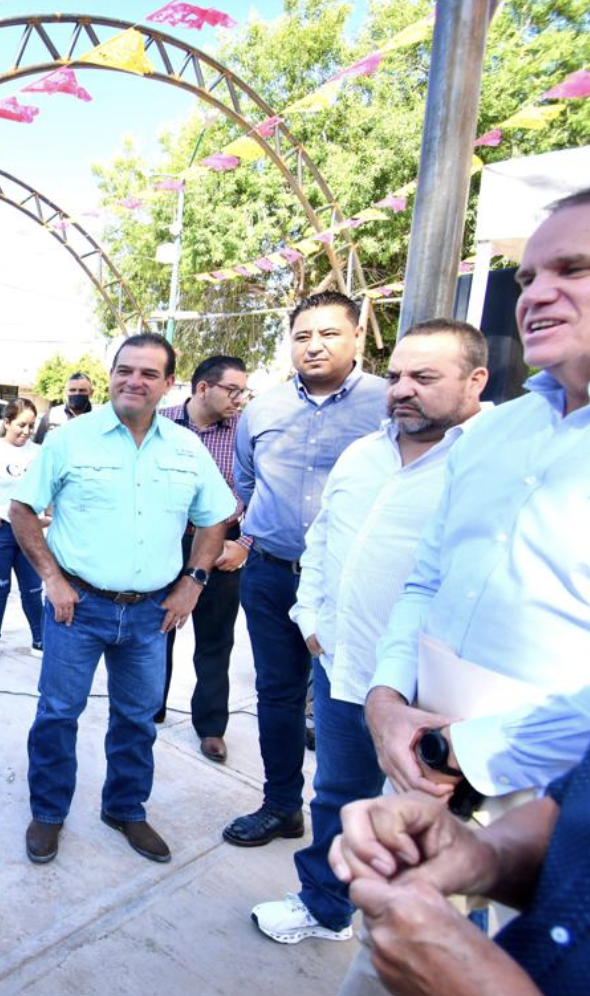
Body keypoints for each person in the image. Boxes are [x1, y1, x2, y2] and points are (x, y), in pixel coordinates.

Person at [342, 185, 590, 995]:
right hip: (424, 769)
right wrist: (388, 700)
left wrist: (467, 752)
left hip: (567, 791)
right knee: (391, 961)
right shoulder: (498, 430)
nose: (536, 293)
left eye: (574, 269)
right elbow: (427, 577)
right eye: (529, 272)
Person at [248, 321, 488, 948]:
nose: (403, 390)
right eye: (399, 375)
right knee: (336, 795)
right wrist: (310, 620)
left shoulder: (489, 460)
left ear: (475, 380)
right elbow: (323, 539)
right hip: (343, 666)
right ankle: (325, 908)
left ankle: (430, 948)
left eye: (425, 378)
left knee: (430, 828)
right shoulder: (365, 451)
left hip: (431, 695)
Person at [12, 333, 236, 868]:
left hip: (149, 614)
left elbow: (215, 518)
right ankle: (48, 811)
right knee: (58, 714)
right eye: (124, 370)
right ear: (111, 374)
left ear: (169, 384)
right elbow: (22, 511)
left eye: (148, 373)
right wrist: (52, 578)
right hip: (77, 607)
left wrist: (194, 582)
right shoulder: (72, 439)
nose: (134, 381)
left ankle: (125, 807)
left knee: (136, 719)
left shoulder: (187, 449)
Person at [225, 291, 388, 847]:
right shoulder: (262, 410)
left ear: (357, 339)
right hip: (270, 574)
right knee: (277, 693)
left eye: (329, 333)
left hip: (349, 582)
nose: (314, 345)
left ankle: (347, 830)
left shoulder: (388, 404)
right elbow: (248, 483)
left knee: (348, 698)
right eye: (302, 335)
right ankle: (280, 805)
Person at [155, 354, 252, 764]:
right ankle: (148, 707)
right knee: (156, 629)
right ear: (202, 389)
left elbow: (259, 491)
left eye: (244, 391)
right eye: (233, 390)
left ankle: (211, 726)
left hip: (221, 546)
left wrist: (244, 542)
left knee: (215, 640)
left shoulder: (244, 432)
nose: (240, 399)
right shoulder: (157, 422)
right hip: (164, 542)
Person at [0, 397, 45, 664]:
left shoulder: (38, 453)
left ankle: (41, 638)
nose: (26, 431)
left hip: (29, 533)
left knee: (33, 589)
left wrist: (46, 515)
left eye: (31, 426)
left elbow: (46, 489)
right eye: (21, 425)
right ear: (6, 422)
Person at [35, 371, 94, 444]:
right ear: (66, 392)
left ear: (91, 393)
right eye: (72, 390)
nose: (77, 393)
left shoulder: (99, 416)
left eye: (82, 390)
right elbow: (38, 446)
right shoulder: (52, 415)